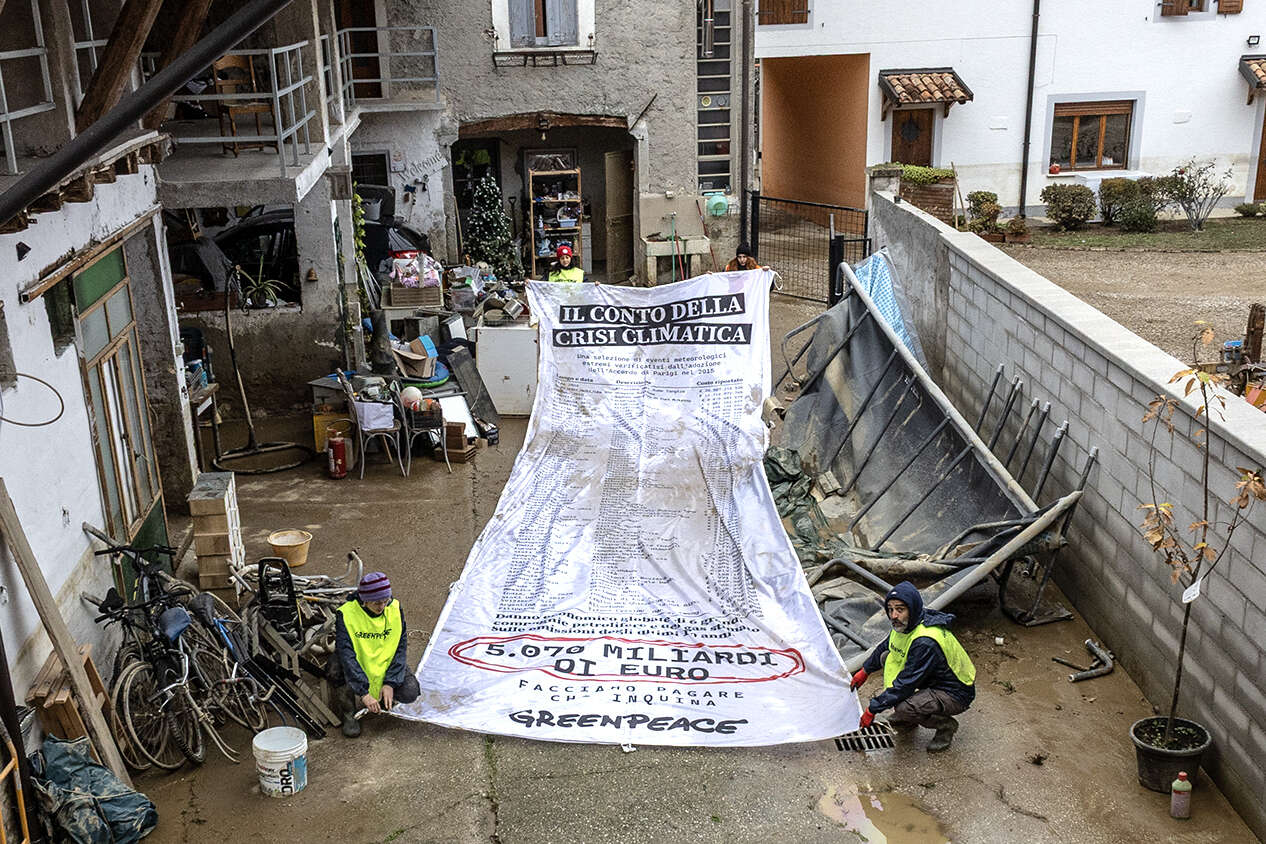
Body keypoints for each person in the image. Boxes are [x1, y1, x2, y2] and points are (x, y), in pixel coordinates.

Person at [850, 581, 976, 752]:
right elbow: (886, 646)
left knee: (904, 707)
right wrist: (865, 671)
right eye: (890, 609)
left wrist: (873, 709)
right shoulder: (907, 624)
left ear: (912, 608)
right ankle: (908, 720)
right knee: (888, 657)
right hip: (934, 680)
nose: (894, 615)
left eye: (900, 609)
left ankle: (945, 726)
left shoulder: (925, 642)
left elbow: (905, 684)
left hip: (955, 692)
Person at [330, 571, 419, 737]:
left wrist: (390, 683)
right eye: (377, 603)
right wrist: (363, 692)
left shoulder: (394, 608)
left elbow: (400, 648)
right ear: (364, 601)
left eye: (385, 601)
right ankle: (349, 713)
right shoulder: (346, 614)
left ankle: (385, 697)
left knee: (410, 691)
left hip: (384, 663)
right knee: (335, 668)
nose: (382, 607)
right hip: (359, 664)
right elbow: (347, 655)